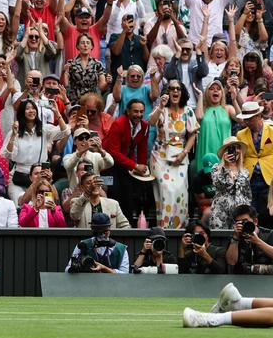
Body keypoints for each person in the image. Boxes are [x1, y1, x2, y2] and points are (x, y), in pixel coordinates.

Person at [0, 98, 69, 205]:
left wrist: (56, 112)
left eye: (33, 108)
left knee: (47, 204)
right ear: (22, 112)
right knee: (22, 205)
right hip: (19, 177)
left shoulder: (44, 129)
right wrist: (13, 135)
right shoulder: (15, 132)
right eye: (27, 108)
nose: (31, 110)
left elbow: (65, 132)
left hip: (40, 174)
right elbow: (6, 154)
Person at [149, 81, 199, 229]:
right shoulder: (161, 109)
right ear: (167, 92)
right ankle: (163, 229)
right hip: (160, 157)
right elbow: (151, 122)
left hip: (180, 156)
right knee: (165, 190)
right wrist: (160, 106)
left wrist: (184, 153)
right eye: (171, 89)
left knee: (180, 193)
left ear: (182, 92)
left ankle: (179, 229)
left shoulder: (188, 111)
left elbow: (192, 135)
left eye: (178, 88)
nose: (175, 91)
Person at [102, 99, 152, 223]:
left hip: (125, 163)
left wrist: (142, 168)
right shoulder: (118, 123)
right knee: (115, 193)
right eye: (135, 111)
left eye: (141, 112)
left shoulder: (144, 126)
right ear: (128, 111)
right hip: (109, 164)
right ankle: (112, 225)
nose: (139, 115)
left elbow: (142, 149)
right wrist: (135, 165)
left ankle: (127, 225)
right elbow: (113, 152)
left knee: (129, 194)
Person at [236, 101, 273, 213]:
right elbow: (241, 159)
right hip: (249, 179)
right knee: (250, 211)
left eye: (250, 119)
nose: (247, 122)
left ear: (258, 116)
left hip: (270, 179)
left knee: (268, 212)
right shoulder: (240, 134)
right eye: (245, 119)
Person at [209, 137, 251, 230]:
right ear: (225, 151)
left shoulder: (245, 172)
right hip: (220, 211)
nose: (236, 150)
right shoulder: (217, 168)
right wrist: (225, 168)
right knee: (219, 240)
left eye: (238, 147)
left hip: (239, 213)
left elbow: (247, 194)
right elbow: (219, 185)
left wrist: (246, 213)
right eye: (232, 148)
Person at [225, 204, 273, 274]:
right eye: (239, 222)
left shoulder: (268, 234)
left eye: (245, 221)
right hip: (241, 277)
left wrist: (257, 241)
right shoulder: (234, 236)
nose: (242, 225)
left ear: (255, 221)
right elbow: (231, 262)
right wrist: (236, 238)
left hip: (265, 276)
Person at [66, 212, 130, 274]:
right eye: (98, 231)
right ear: (93, 229)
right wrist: (77, 267)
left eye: (105, 231)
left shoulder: (120, 249)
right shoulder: (83, 245)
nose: (102, 235)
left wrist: (104, 268)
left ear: (109, 228)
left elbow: (124, 274)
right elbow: (67, 270)